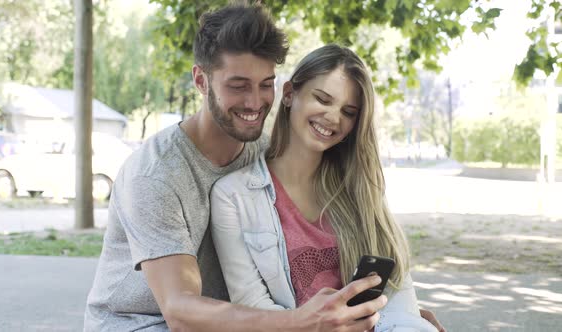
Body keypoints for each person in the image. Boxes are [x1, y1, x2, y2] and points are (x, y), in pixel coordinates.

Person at [84, 3, 391, 331]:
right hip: (142, 324)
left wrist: (386, 318)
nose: (255, 102)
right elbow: (179, 311)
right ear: (201, 80)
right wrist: (299, 321)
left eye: (264, 84)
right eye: (238, 85)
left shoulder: (262, 153)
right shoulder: (156, 174)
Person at [210, 44, 441, 331]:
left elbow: (395, 289)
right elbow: (251, 304)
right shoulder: (233, 195)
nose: (333, 118)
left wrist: (412, 323)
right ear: (290, 94)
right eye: (322, 99)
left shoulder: (360, 191)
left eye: (348, 111)